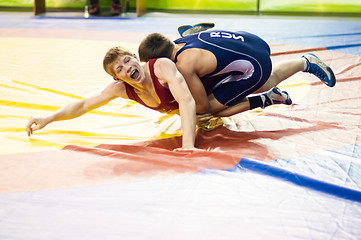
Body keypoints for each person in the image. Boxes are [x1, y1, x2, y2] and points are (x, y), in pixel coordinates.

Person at [138, 30, 336, 119]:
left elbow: (203, 106)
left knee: (211, 110)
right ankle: (305, 62)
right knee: (222, 80)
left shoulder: (184, 65)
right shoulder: (181, 40)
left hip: (255, 66)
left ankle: (268, 98)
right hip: (252, 40)